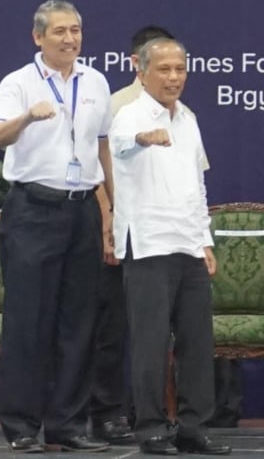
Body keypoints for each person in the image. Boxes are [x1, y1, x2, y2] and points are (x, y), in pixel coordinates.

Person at [0, 0, 113, 453]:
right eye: (60, 31)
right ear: (38, 37)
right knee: (28, 321)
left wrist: (111, 211)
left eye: (76, 30)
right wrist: (27, 117)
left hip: (83, 209)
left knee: (78, 321)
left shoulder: (95, 81)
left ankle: (68, 425)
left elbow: (103, 149)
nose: (70, 39)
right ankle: (22, 426)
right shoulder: (17, 83)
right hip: (33, 210)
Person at [110, 37, 230, 456]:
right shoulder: (129, 114)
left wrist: (205, 239)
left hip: (188, 243)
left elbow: (197, 184)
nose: (174, 77)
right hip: (147, 244)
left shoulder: (189, 120)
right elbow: (122, 144)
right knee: (151, 342)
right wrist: (144, 137)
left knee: (198, 342)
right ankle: (151, 429)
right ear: (142, 72)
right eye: (164, 69)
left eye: (180, 69)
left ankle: (194, 427)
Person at [90, 25, 175, 445]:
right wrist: (108, 219)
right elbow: (94, 169)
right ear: (136, 64)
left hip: (162, 238)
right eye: (157, 63)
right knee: (112, 328)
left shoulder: (178, 111)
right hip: (122, 230)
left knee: (151, 330)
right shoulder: (117, 107)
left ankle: (150, 414)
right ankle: (106, 412)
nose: (169, 74)